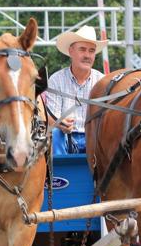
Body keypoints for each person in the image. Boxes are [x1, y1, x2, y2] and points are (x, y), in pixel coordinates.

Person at [45, 25, 107, 155]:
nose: (87, 55)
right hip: (65, 137)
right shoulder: (56, 80)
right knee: (56, 133)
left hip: (94, 137)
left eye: (91, 51)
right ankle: (59, 173)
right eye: (82, 50)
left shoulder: (102, 81)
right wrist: (60, 122)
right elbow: (50, 117)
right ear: (71, 51)